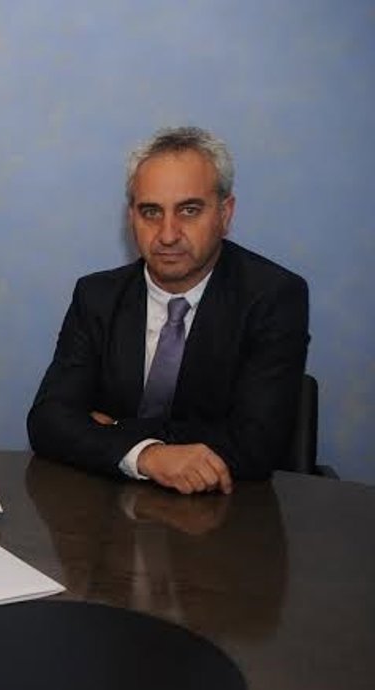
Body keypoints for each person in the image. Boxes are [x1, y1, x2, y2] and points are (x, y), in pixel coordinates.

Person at [27, 126, 309, 494]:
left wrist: (116, 430)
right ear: (131, 217)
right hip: (107, 510)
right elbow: (48, 421)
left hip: (227, 513)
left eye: (189, 210)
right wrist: (148, 456)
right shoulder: (96, 296)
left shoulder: (274, 297)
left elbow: (256, 446)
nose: (168, 234)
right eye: (151, 212)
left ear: (225, 214)